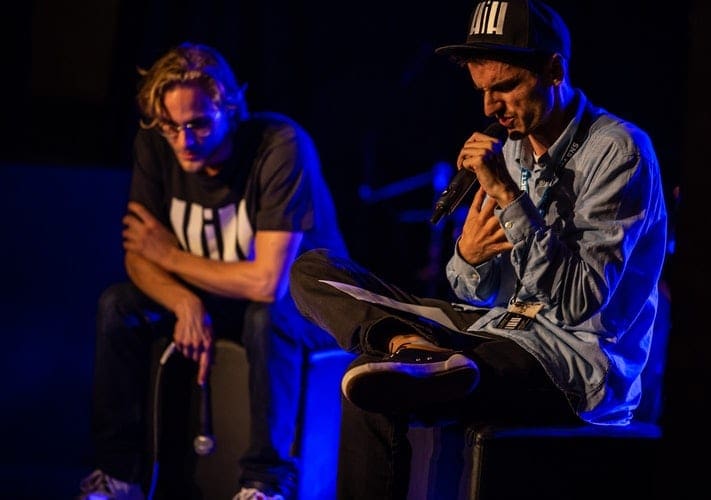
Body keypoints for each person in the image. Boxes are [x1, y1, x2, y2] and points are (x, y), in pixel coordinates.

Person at [289, 0, 668, 498]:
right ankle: (411, 349)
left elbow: (581, 304)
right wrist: (468, 256)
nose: (490, 107)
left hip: (571, 363)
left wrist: (510, 198)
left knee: (370, 381)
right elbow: (475, 290)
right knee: (313, 269)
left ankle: (417, 361)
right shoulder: (511, 146)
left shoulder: (618, 151)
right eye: (483, 91)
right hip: (496, 329)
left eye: (505, 87)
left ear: (553, 70)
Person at [78, 42, 348, 500]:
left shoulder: (278, 146)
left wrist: (170, 257)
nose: (183, 141)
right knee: (118, 306)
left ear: (230, 108)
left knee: (268, 316)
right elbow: (136, 256)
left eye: (198, 124)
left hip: (310, 306)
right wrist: (184, 300)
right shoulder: (156, 145)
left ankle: (265, 483)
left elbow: (267, 282)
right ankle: (119, 474)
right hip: (218, 296)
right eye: (171, 126)